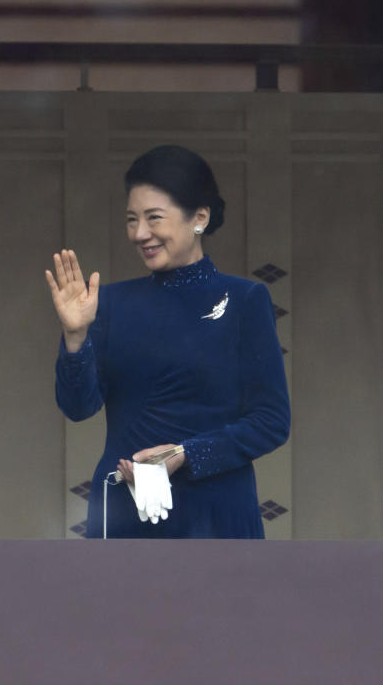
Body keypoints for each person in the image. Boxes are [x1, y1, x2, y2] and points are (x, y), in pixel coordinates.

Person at [46, 145, 290, 538]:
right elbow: (77, 408)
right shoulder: (109, 302)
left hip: (217, 515)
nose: (139, 234)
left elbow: (272, 422)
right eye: (131, 220)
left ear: (200, 217)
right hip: (126, 513)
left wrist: (185, 455)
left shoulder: (245, 300)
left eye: (153, 218)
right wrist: (75, 337)